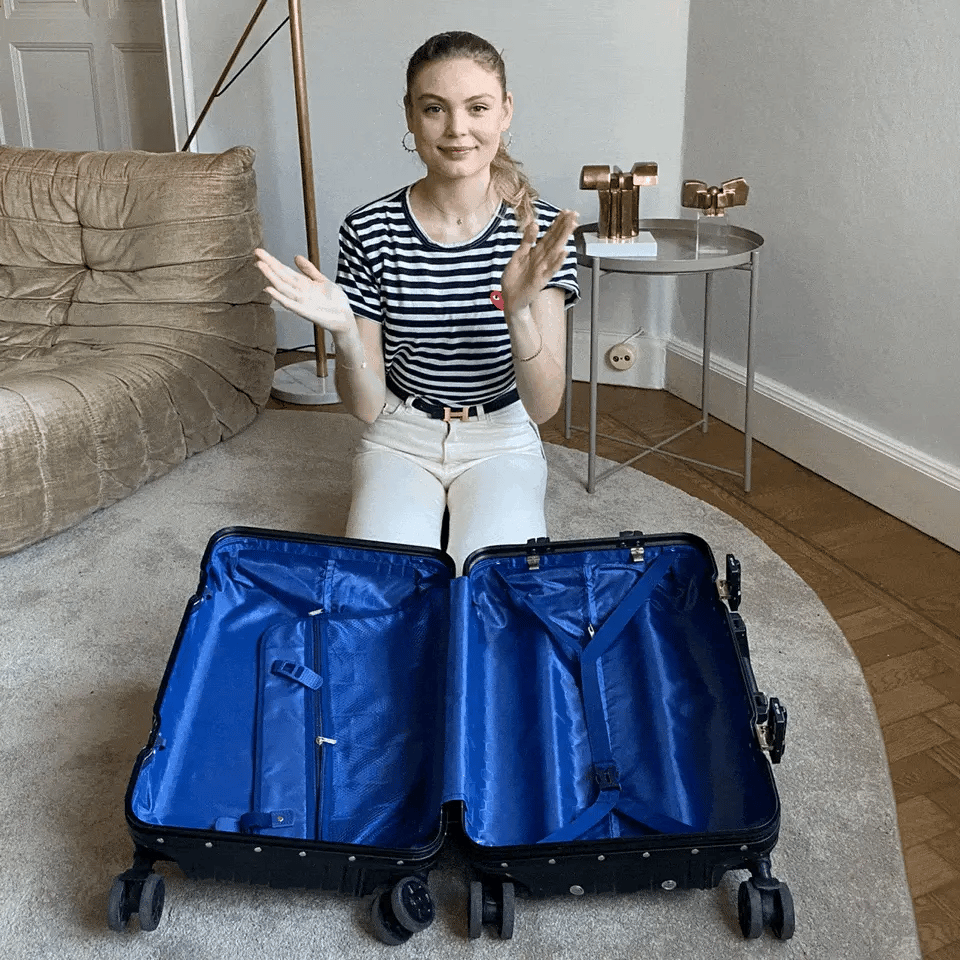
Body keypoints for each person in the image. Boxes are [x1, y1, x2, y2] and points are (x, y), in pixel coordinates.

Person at [255, 31, 580, 573]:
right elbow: (365, 407)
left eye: (477, 108)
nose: (457, 129)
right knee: (389, 582)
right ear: (410, 115)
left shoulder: (537, 232)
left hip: (502, 435)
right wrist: (344, 332)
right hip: (401, 434)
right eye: (434, 109)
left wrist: (517, 310)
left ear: (505, 111)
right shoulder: (369, 228)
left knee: (491, 585)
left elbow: (544, 407)